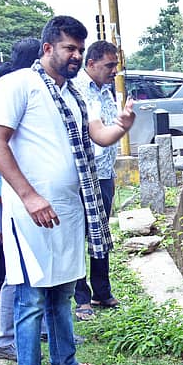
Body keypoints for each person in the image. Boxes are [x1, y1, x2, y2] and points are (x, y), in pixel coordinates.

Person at [0, 15, 134, 365]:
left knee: (63, 290)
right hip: (30, 211)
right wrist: (30, 196)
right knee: (32, 297)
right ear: (48, 47)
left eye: (80, 50)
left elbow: (98, 136)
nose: (76, 56)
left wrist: (122, 126)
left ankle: (65, 364)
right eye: (70, 48)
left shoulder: (73, 94)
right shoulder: (17, 85)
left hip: (69, 208)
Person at [0, 38, 42, 363]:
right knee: (18, 268)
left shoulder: (25, 93)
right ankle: (6, 339)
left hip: (26, 198)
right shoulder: (2, 98)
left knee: (36, 265)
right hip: (10, 200)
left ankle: (39, 328)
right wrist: (9, 198)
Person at [72, 41, 128, 321]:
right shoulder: (76, 90)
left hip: (105, 173)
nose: (114, 71)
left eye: (115, 65)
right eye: (109, 65)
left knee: (100, 233)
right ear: (91, 64)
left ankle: (102, 291)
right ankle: (81, 298)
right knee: (79, 235)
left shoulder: (106, 89)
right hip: (82, 175)